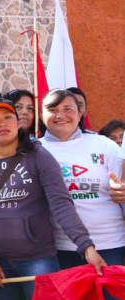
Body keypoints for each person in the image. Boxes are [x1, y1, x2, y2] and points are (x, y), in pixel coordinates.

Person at [0, 98, 105, 300]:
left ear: (18, 122)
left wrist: (86, 246)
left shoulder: (38, 155)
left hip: (39, 260)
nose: (2, 123)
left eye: (7, 117)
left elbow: (61, 205)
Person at [39, 89, 125, 269]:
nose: (60, 115)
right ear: (41, 115)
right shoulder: (34, 150)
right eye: (52, 109)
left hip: (112, 244)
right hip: (60, 248)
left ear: (80, 114)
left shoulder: (104, 144)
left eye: (68, 109)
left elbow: (122, 183)